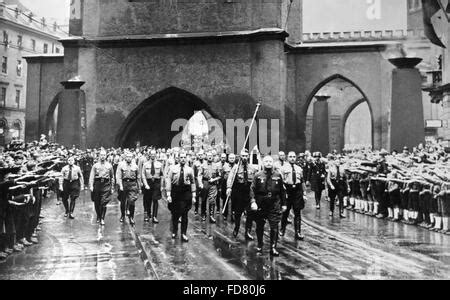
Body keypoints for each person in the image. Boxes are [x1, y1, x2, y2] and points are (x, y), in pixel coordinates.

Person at [250, 155, 286, 257]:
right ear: (263, 163)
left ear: (273, 163)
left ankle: (273, 247)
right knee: (260, 225)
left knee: (274, 226)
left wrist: (284, 204)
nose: (268, 163)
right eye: (266, 161)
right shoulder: (258, 175)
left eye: (270, 161)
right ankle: (260, 244)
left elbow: (282, 191)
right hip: (261, 203)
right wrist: (253, 202)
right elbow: (252, 189)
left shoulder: (278, 175)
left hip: (274, 203)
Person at [166, 152, 196, 242]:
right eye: (181, 157)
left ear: (186, 159)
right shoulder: (173, 168)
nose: (183, 159)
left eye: (184, 157)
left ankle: (183, 233)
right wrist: (168, 194)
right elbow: (169, 180)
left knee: (185, 214)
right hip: (176, 192)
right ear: (178, 159)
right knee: (175, 213)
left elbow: (193, 182)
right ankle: (175, 231)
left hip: (186, 193)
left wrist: (194, 195)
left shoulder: (190, 170)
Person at [226, 149, 257, 240]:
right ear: (240, 157)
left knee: (250, 213)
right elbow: (230, 178)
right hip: (238, 192)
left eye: (246, 156)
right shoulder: (236, 168)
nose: (244, 158)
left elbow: (254, 181)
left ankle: (247, 232)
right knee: (238, 213)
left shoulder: (252, 168)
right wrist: (228, 188)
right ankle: (236, 228)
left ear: (248, 157)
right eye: (242, 156)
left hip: (248, 192)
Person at [280, 152, 306, 240]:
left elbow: (302, 181)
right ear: (287, 158)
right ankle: (282, 229)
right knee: (285, 212)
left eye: (294, 157)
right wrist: (283, 193)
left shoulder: (299, 169)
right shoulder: (283, 169)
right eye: (290, 157)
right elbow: (281, 182)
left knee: (297, 212)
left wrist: (304, 193)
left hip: (297, 191)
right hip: (288, 190)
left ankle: (298, 232)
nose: (292, 158)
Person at [89, 150, 114, 226]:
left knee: (104, 202)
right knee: (97, 202)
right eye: (101, 155)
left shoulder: (109, 166)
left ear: (106, 156)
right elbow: (92, 176)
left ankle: (102, 218)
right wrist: (91, 185)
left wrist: (112, 187)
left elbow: (112, 177)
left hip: (106, 184)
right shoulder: (95, 165)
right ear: (99, 156)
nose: (103, 156)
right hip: (97, 184)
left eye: (104, 155)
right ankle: (98, 216)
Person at [116, 152, 140, 225]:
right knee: (123, 201)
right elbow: (119, 176)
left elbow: (138, 177)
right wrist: (120, 185)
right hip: (124, 183)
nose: (129, 158)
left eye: (130, 157)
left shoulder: (135, 166)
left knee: (132, 201)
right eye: (127, 157)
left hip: (132, 184)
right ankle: (123, 215)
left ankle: (131, 217)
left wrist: (139, 187)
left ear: (132, 158)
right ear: (125, 157)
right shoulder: (121, 165)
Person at [198, 151, 221, 223]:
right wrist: (200, 183)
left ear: (213, 157)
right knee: (204, 199)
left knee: (212, 200)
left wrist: (214, 179)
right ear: (206, 157)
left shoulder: (216, 166)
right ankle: (203, 214)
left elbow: (219, 176)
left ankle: (211, 215)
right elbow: (199, 175)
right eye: (208, 156)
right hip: (205, 183)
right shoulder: (202, 165)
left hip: (213, 184)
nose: (210, 157)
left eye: (211, 156)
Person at [142, 150, 164, 223]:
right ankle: (148, 214)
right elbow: (143, 175)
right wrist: (145, 184)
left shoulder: (160, 164)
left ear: (156, 155)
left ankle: (154, 216)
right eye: (151, 154)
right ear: (149, 155)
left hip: (156, 183)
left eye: (154, 154)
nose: (153, 155)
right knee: (148, 200)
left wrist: (161, 185)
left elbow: (162, 175)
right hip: (148, 182)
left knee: (155, 199)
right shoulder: (145, 164)